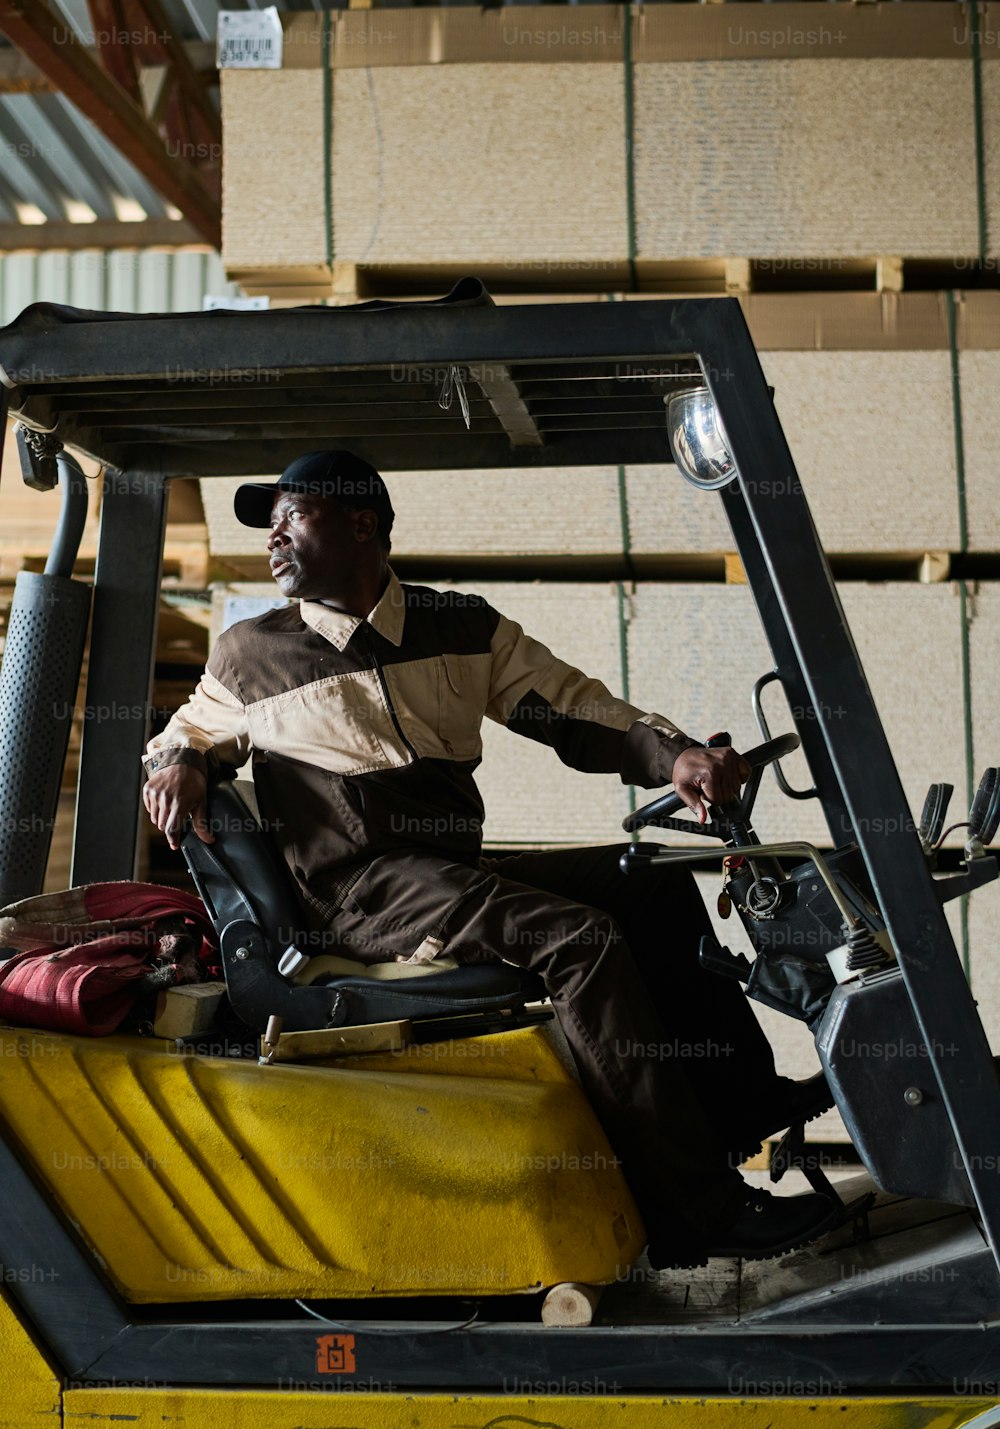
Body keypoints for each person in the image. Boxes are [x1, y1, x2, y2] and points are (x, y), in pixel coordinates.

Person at [143, 449, 839, 1267]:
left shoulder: (460, 625)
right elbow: (183, 734)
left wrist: (675, 755)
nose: (273, 539)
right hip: (361, 894)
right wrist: (181, 765)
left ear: (362, 523)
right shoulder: (250, 654)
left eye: (291, 517)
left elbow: (573, 707)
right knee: (576, 938)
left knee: (645, 884)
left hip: (453, 873)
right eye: (269, 527)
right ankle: (699, 1212)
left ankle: (739, 1106)